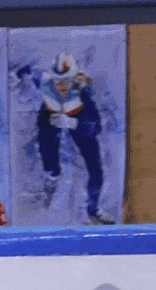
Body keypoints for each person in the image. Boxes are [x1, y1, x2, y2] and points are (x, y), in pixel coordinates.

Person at [32, 53, 113, 224]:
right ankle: (50, 184)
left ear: (75, 80)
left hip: (79, 121)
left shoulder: (83, 95)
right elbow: (29, 72)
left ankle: (93, 210)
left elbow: (96, 126)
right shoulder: (46, 88)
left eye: (66, 81)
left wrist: (75, 124)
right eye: (57, 81)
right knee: (51, 166)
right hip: (53, 125)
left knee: (95, 168)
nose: (61, 86)